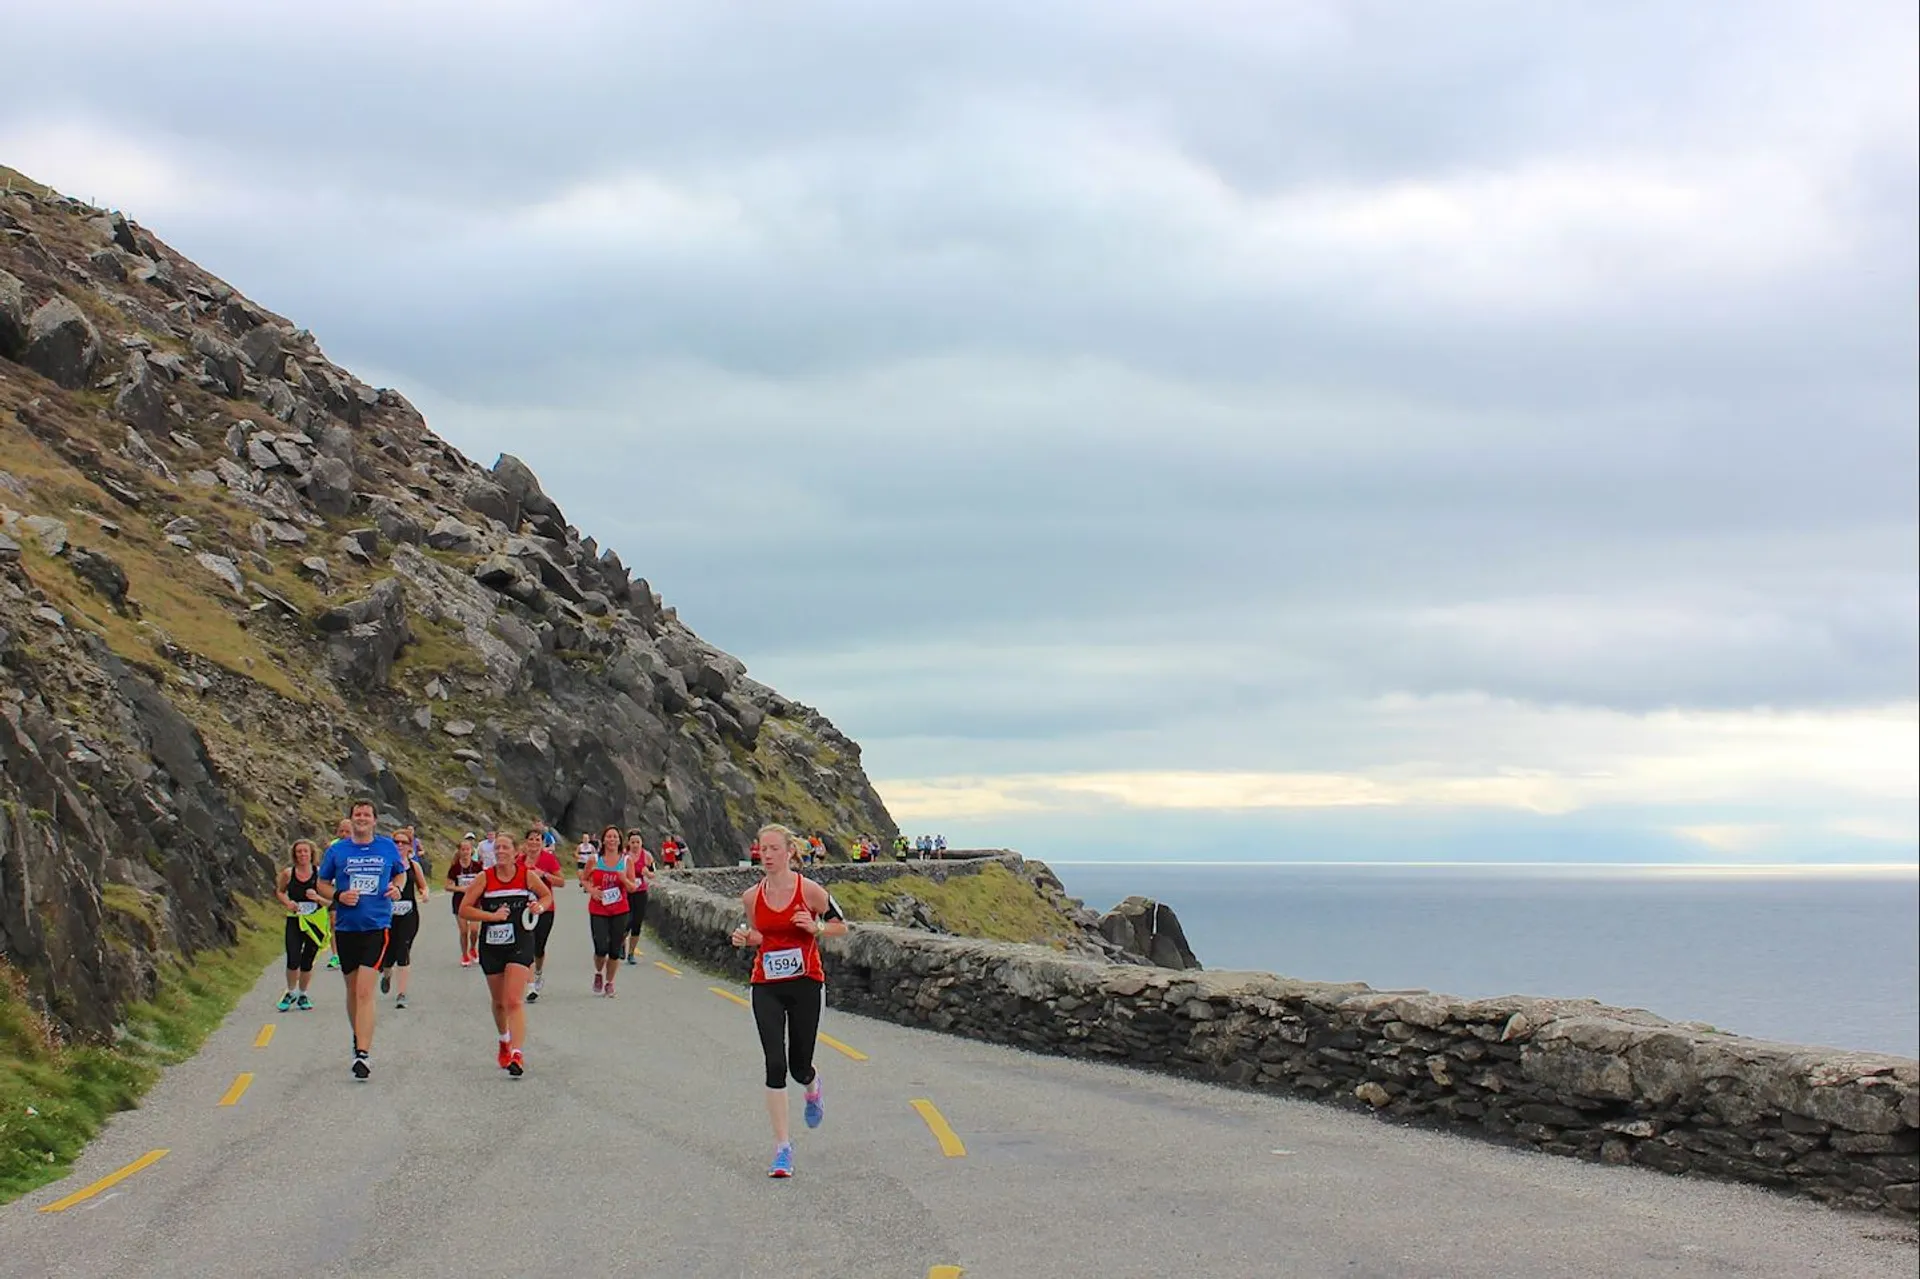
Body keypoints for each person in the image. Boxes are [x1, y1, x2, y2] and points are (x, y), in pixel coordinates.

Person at [729, 824, 848, 1178]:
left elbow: (841, 925)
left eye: (773, 849)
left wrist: (817, 929)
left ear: (789, 852)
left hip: (805, 983)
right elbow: (760, 936)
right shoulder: (752, 896)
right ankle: (783, 1148)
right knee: (775, 1063)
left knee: (798, 1066)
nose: (766, 855)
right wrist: (744, 938)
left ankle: (812, 1086)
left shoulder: (810, 890)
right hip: (765, 983)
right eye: (761, 849)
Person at [315, 800, 408, 1080]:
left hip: (376, 926)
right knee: (353, 990)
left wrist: (397, 888)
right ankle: (358, 1038)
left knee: (365, 991)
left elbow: (400, 873)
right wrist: (339, 896)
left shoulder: (386, 847)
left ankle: (363, 1054)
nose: (362, 818)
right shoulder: (337, 850)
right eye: (358, 814)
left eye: (367, 814)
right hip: (346, 927)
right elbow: (321, 883)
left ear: (375, 820)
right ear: (351, 819)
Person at [459, 829, 553, 1075]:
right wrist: (491, 916)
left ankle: (517, 1054)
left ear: (516, 852)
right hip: (491, 946)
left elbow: (546, 896)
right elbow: (464, 909)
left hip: (520, 943)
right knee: (499, 1003)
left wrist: (538, 906)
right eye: (497, 848)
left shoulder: (526, 876)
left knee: (513, 1000)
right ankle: (504, 1041)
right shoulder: (484, 878)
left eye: (505, 848)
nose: (500, 852)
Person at [378, 831, 430, 1010]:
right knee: (388, 954)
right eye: (396, 842)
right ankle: (386, 975)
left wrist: (424, 894)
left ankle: (401, 993)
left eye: (404, 842)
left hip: (408, 915)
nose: (399, 845)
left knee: (403, 950)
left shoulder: (414, 866)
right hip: (386, 915)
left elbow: (423, 886)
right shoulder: (385, 865)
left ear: (410, 846)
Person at [581, 831, 635, 996]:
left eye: (615, 837)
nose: (612, 840)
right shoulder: (594, 860)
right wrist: (591, 890)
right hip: (598, 908)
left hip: (620, 909)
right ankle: (599, 973)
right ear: (603, 840)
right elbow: (583, 879)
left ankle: (609, 982)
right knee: (601, 948)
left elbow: (633, 887)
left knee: (614, 950)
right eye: (609, 837)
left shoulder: (626, 861)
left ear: (619, 841)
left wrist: (623, 879)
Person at [275, 839, 324, 1011]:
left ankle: (303, 994)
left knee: (307, 961)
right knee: (292, 957)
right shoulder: (289, 874)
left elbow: (331, 900)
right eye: (299, 852)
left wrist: (317, 898)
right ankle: (290, 991)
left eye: (305, 851)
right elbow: (280, 892)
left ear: (312, 854)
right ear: (294, 855)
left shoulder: (320, 874)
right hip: (295, 920)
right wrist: (288, 902)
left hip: (315, 921)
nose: (302, 855)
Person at [524, 829, 565, 1002]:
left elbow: (561, 882)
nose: (534, 843)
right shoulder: (518, 860)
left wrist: (545, 875)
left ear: (542, 842)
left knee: (538, 947)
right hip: (524, 909)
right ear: (526, 842)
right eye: (531, 839)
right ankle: (530, 985)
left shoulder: (548, 859)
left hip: (545, 908)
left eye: (537, 840)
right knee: (527, 946)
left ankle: (538, 973)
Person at [446, 836, 484, 966]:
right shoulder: (455, 868)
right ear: (459, 851)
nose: (465, 852)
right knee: (463, 931)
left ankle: (473, 948)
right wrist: (461, 888)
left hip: (475, 902)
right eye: (463, 849)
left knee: (474, 930)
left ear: (471, 851)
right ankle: (464, 955)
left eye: (468, 849)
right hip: (459, 902)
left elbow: (484, 883)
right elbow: (447, 886)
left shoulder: (478, 866)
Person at [623, 829, 656, 967]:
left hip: (641, 892)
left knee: (637, 923)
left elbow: (653, 874)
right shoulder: (624, 856)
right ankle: (620, 943)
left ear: (642, 843)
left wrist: (647, 872)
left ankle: (631, 953)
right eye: (633, 842)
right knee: (627, 921)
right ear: (629, 843)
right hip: (626, 892)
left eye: (638, 842)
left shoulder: (647, 856)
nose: (635, 845)